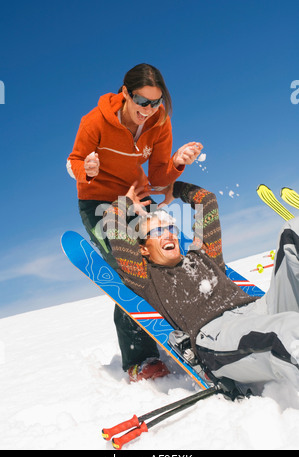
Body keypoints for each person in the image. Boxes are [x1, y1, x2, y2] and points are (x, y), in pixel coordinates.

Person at [67, 63, 203, 381]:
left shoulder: (160, 122)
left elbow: (158, 177)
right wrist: (86, 167)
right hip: (99, 203)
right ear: (125, 93)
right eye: (143, 102)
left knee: (170, 259)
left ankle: (196, 331)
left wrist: (177, 163)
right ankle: (139, 360)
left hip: (137, 199)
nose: (149, 110)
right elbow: (73, 161)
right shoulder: (95, 121)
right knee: (133, 270)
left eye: (156, 102)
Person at [102, 180, 299, 392]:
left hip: (260, 309)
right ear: (143, 250)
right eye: (157, 231)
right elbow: (112, 225)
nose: (168, 234)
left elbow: (207, 200)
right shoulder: (146, 277)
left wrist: (174, 188)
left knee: (292, 230)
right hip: (220, 335)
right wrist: (126, 203)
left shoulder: (206, 256)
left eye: (170, 228)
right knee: (289, 331)